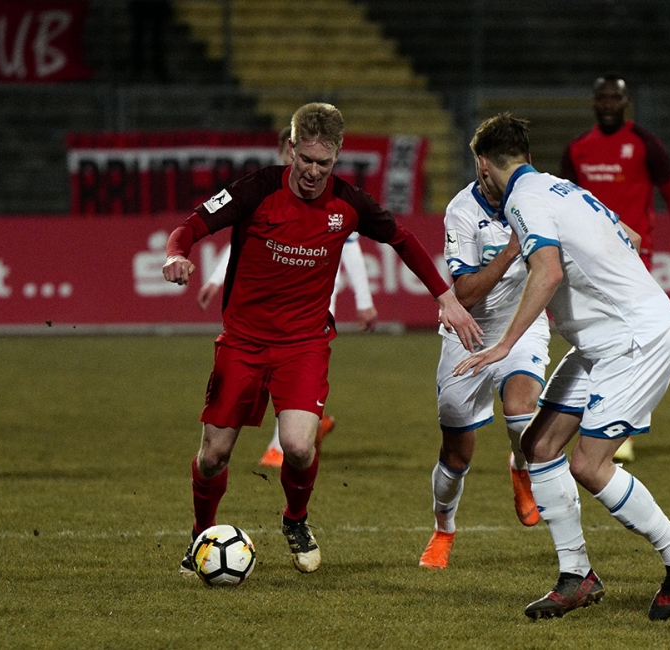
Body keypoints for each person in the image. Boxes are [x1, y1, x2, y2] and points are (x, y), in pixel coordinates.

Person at [163, 102, 482, 576]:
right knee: (213, 456)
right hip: (243, 342)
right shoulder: (256, 189)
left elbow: (403, 239)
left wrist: (445, 297)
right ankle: (200, 535)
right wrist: (175, 254)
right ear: (292, 149)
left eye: (324, 163)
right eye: (306, 159)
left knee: (297, 446)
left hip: (304, 344)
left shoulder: (349, 203)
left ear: (337, 156)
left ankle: (296, 520)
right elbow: (191, 225)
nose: (313, 172)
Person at [456, 113, 670, 621]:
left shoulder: (523, 200)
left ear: (483, 165)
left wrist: (505, 344)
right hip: (603, 341)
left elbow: (548, 272)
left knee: (588, 465)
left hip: (635, 341)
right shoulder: (562, 188)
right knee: (538, 446)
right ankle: (577, 576)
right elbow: (630, 236)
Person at [196, 126, 379, 467]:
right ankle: (310, 427)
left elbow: (351, 247)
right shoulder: (267, 190)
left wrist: (365, 301)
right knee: (274, 372)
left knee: (292, 373)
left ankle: (282, 445)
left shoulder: (328, 196)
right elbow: (245, 244)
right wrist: (215, 279)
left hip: (313, 300)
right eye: (291, 154)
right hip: (268, 305)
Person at [560, 74, 670, 463]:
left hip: (633, 258)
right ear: (594, 102)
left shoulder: (645, 145)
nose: (608, 104)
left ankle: (622, 427)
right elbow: (562, 203)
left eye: (615, 98)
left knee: (630, 338)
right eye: (603, 98)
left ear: (626, 102)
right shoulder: (578, 149)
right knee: (597, 339)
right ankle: (600, 418)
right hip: (586, 259)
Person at [418, 179, 549, 570]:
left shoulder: (538, 198)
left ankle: (521, 467)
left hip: (521, 327)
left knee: (522, 414)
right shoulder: (462, 210)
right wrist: (511, 251)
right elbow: (466, 294)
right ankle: (444, 530)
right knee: (456, 454)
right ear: (482, 165)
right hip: (467, 333)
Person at [128, 0, 172, 82]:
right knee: (147, 37)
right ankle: (141, 69)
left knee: (154, 37)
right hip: (145, 5)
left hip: (150, 5)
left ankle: (145, 69)